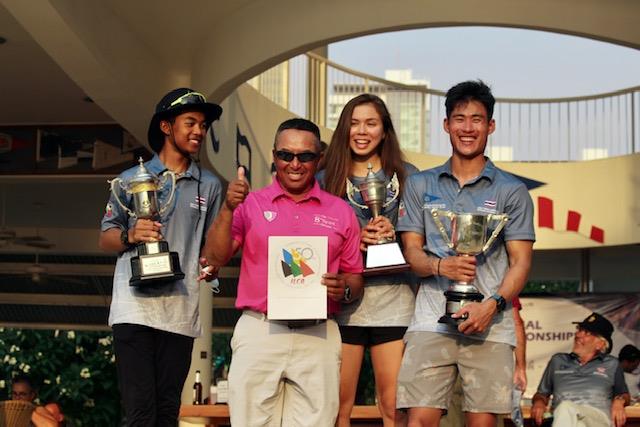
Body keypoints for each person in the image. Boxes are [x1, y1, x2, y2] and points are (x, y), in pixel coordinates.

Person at [203, 118, 364, 426]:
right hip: (260, 328)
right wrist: (227, 208)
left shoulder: (341, 211)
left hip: (318, 331)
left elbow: (355, 278)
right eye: (285, 155)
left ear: (318, 160)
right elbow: (214, 257)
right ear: (273, 156)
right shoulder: (249, 204)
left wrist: (342, 287)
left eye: (305, 156)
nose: (294, 163)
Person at [396, 80, 535, 427]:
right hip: (431, 322)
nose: (467, 128)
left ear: (490, 126)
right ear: (446, 125)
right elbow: (411, 252)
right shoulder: (420, 185)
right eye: (459, 119)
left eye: (477, 119)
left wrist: (492, 306)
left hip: (490, 324)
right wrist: (442, 264)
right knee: (418, 421)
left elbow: (520, 262)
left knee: (483, 424)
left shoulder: (512, 191)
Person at [99, 88, 223, 425]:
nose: (199, 130)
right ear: (167, 127)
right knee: (140, 413)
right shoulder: (130, 180)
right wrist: (131, 234)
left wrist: (212, 263)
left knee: (168, 413)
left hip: (180, 311)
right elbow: (106, 237)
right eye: (190, 122)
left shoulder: (209, 185)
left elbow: (210, 245)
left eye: (203, 125)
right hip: (134, 309)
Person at [318, 93, 418, 426]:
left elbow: (424, 242)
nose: (362, 131)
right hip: (341, 305)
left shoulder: (409, 177)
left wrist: (397, 235)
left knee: (393, 407)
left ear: (385, 130)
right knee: (337, 408)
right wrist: (352, 243)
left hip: (394, 302)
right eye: (354, 123)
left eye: (371, 123)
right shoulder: (324, 179)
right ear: (344, 128)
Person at [440, 297, 527, 427]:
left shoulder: (443, 283)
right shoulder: (502, 283)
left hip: (448, 348)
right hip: (488, 349)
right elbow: (516, 322)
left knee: (449, 418)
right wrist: (520, 367)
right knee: (486, 418)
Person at [531, 312, 630, 427]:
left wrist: (619, 401)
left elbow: (624, 394)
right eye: (579, 329)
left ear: (600, 344)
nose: (578, 335)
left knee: (565, 407)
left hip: (597, 419)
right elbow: (542, 393)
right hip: (566, 419)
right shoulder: (558, 360)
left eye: (586, 333)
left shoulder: (611, 364)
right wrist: (539, 402)